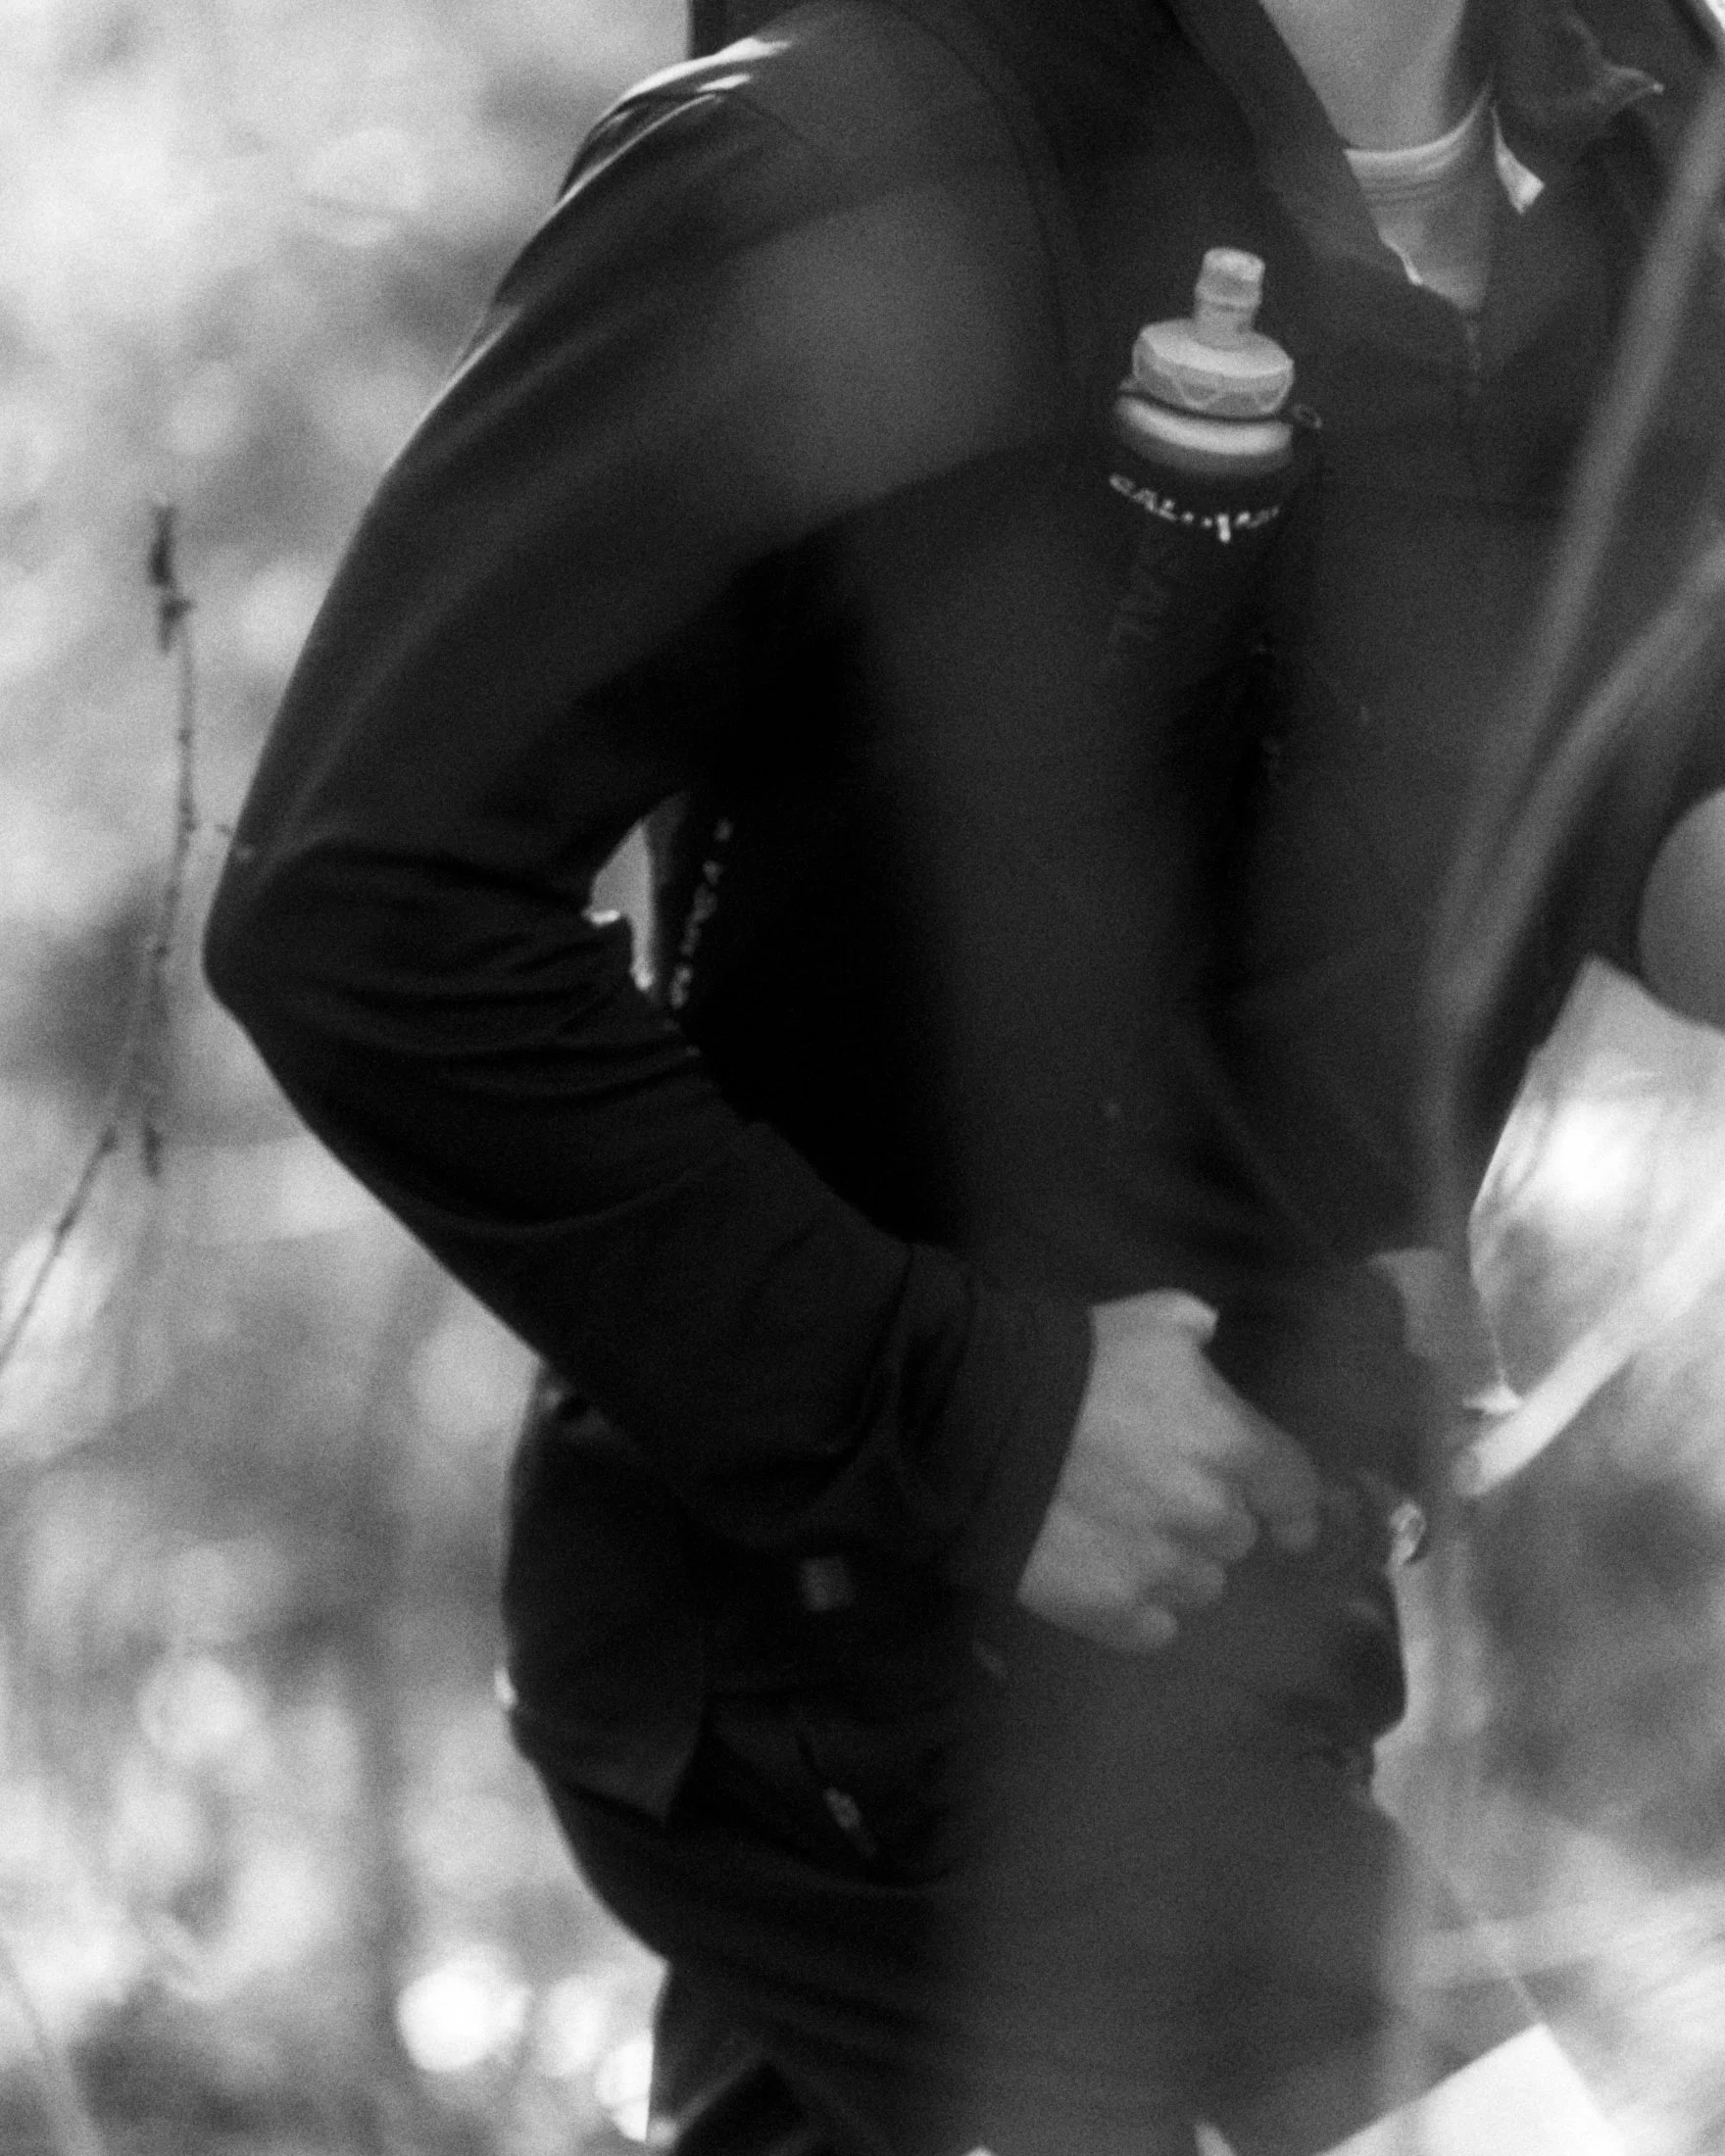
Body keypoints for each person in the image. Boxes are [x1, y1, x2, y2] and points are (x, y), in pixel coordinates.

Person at [203, 0, 1724, 2146]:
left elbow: (1599, 731)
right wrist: (980, 1411)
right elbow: (364, 907)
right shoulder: (843, 154)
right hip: (860, 1660)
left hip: (1261, 1630)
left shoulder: (1637, 135)